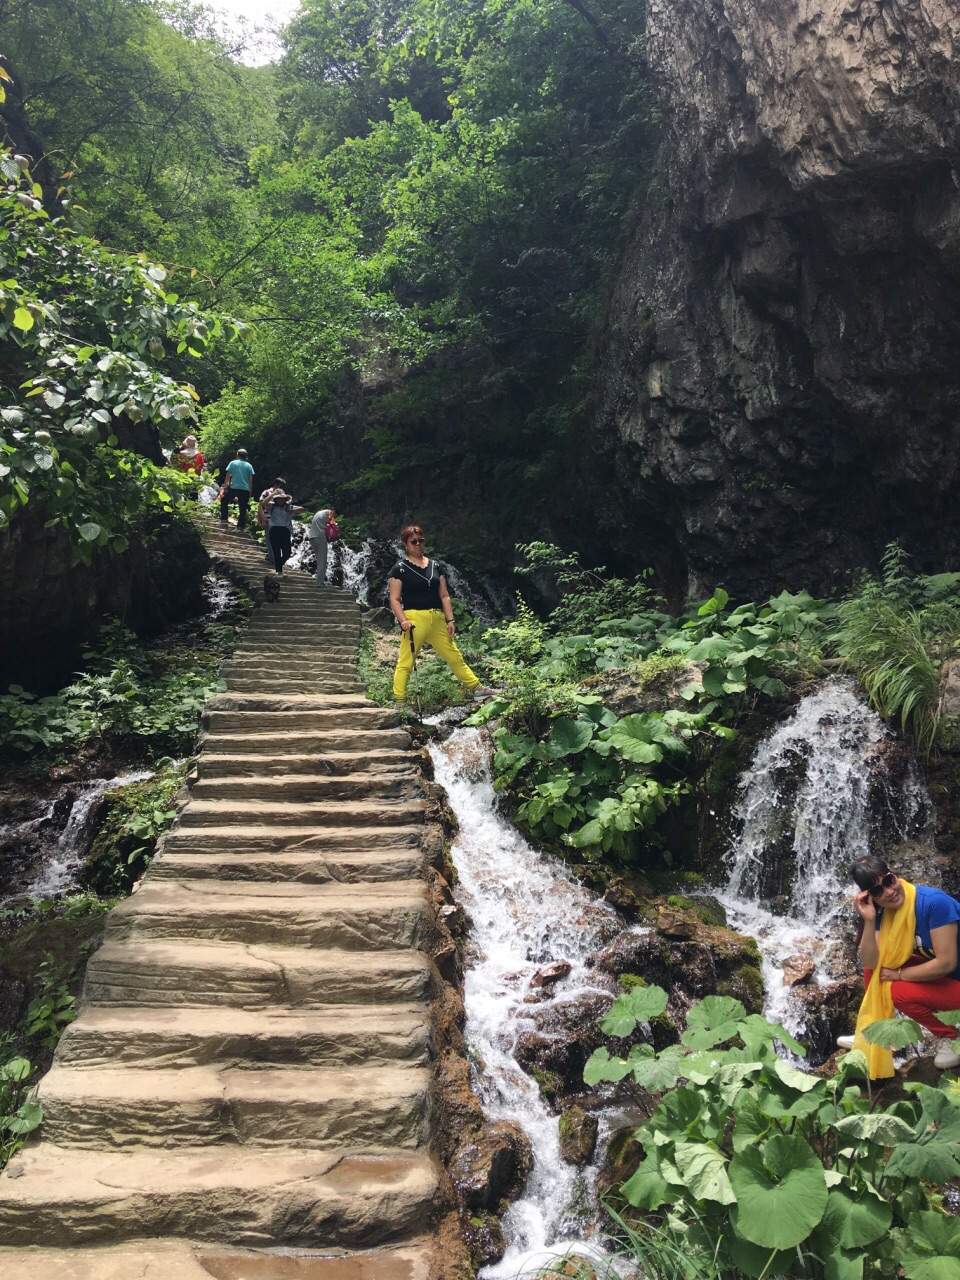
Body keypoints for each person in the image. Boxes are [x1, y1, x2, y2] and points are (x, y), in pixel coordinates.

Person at [838, 855, 960, 1075]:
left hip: (950, 975)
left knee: (897, 990)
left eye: (888, 881)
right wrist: (868, 920)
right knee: (877, 967)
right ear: (869, 896)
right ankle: (871, 1028)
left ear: (894, 875)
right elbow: (870, 961)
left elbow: (946, 963)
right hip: (949, 982)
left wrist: (900, 974)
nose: (888, 892)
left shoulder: (933, 903)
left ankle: (951, 1037)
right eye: (877, 892)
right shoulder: (881, 912)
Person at [388, 524, 493, 708]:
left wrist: (450, 619)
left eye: (421, 540)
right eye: (413, 541)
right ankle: (399, 703)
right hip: (414, 619)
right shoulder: (400, 569)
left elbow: (444, 595)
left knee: (454, 656)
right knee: (406, 662)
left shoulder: (436, 566)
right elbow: (395, 599)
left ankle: (478, 689)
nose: (418, 544)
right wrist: (403, 620)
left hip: (437, 618)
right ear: (406, 544)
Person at [265, 493, 303, 574]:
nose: (281, 500)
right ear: (275, 500)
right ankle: (279, 571)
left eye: (283, 499)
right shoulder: (272, 507)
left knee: (287, 553)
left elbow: (302, 508)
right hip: (274, 530)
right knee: (276, 551)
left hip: (285, 530)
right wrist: (273, 494)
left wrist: (292, 511)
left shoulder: (289, 507)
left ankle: (279, 563)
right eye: (279, 499)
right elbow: (264, 503)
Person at [220, 448, 256, 530]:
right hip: (245, 489)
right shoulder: (249, 466)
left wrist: (225, 487)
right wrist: (250, 492)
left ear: (237, 455)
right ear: (245, 456)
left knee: (224, 500)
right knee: (243, 508)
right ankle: (240, 526)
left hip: (234, 488)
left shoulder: (233, 463)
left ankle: (224, 519)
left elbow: (228, 476)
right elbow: (250, 481)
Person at [258, 478, 288, 561]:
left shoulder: (282, 494)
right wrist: (263, 517)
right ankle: (273, 559)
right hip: (268, 520)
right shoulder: (266, 492)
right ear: (275, 484)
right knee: (269, 540)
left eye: (283, 487)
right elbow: (261, 505)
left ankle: (273, 557)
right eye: (280, 486)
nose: (281, 488)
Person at [307, 506, 336, 589]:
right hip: (320, 537)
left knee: (319, 559)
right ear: (333, 511)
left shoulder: (319, 513)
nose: (334, 517)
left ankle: (319, 581)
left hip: (312, 537)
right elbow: (333, 526)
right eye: (335, 515)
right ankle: (320, 583)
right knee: (322, 561)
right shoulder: (330, 513)